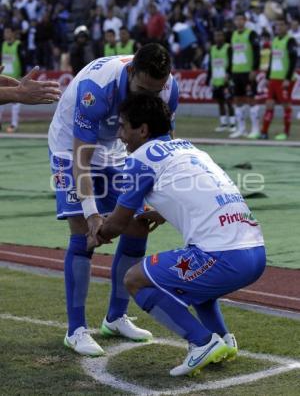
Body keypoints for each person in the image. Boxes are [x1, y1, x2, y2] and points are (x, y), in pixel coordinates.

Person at [91, 93, 266, 377]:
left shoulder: (139, 159)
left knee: (134, 279)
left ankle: (201, 342)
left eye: (123, 126)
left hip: (224, 257)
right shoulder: (191, 149)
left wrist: (96, 233)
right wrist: (158, 212)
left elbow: (119, 222)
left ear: (143, 129)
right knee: (196, 286)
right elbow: (201, 192)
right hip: (256, 252)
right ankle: (222, 339)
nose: (120, 135)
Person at [48, 43, 179, 356]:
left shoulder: (167, 88)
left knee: (138, 225)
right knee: (84, 234)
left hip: (117, 147)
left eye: (155, 91)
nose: (148, 98)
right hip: (71, 147)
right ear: (131, 71)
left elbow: (162, 148)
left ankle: (116, 317)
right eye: (142, 90)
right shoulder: (96, 88)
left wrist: (161, 199)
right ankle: (76, 329)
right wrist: (93, 212)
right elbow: (82, 155)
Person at [260, 18, 298, 140]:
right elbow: (272, 60)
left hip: (284, 80)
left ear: (286, 27)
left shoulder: (290, 40)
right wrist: (267, 77)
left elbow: (293, 60)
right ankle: (264, 132)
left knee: (286, 106)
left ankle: (286, 133)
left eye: (282, 25)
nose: (279, 27)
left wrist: (287, 78)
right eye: (277, 25)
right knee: (269, 104)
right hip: (273, 79)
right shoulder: (275, 40)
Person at [229, 13, 261, 139]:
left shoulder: (251, 34)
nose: (238, 22)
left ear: (245, 21)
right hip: (236, 72)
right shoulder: (234, 34)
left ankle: (255, 129)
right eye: (236, 19)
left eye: (241, 19)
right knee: (237, 100)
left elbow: (257, 52)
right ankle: (241, 129)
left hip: (248, 72)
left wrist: (254, 69)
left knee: (251, 99)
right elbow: (232, 54)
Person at [206, 30, 235, 132]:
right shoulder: (212, 49)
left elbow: (232, 62)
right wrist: (208, 78)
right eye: (216, 36)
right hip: (216, 80)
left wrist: (229, 74)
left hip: (226, 80)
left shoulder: (228, 48)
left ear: (223, 37)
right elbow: (210, 65)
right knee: (220, 102)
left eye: (220, 35)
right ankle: (223, 123)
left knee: (229, 101)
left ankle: (232, 124)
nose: (218, 38)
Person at [0, 26, 26, 132]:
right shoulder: (3, 44)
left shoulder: (18, 45)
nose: (6, 34)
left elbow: (23, 61)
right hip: (4, 77)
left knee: (15, 102)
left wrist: (23, 75)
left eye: (8, 32)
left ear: (13, 33)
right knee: (0, 100)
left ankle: (13, 124)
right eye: (5, 32)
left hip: (15, 77)